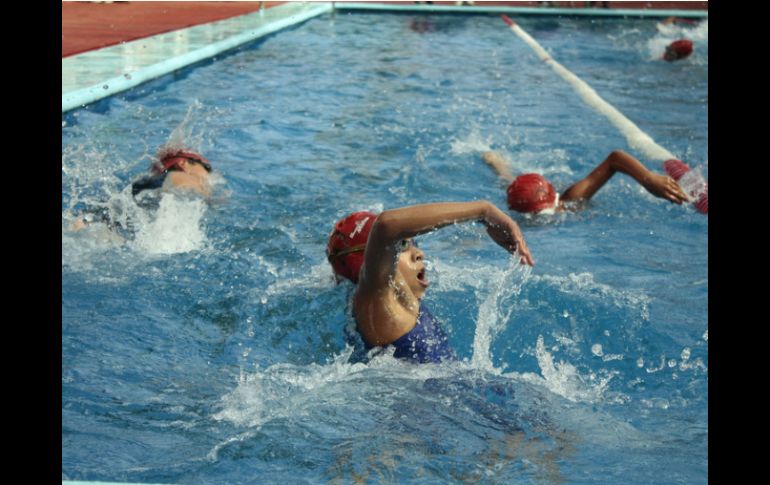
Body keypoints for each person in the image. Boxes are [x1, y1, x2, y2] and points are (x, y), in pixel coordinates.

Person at [326, 201, 534, 364]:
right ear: (375, 262)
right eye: (403, 245)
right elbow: (386, 224)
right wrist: (484, 211)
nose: (418, 253)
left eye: (414, 243)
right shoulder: (378, 302)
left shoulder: (374, 303)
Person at [481, 149, 688, 214]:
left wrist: (648, 178)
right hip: (524, 195)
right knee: (509, 182)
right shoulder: (519, 217)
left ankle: (497, 162)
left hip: (557, 192)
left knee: (511, 182)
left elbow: (615, 159)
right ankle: (497, 163)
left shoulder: (570, 200)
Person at [71, 147, 214, 234]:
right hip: (121, 216)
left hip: (108, 212)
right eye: (207, 168)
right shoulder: (179, 176)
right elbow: (203, 190)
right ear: (183, 163)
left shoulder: (151, 180)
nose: (209, 174)